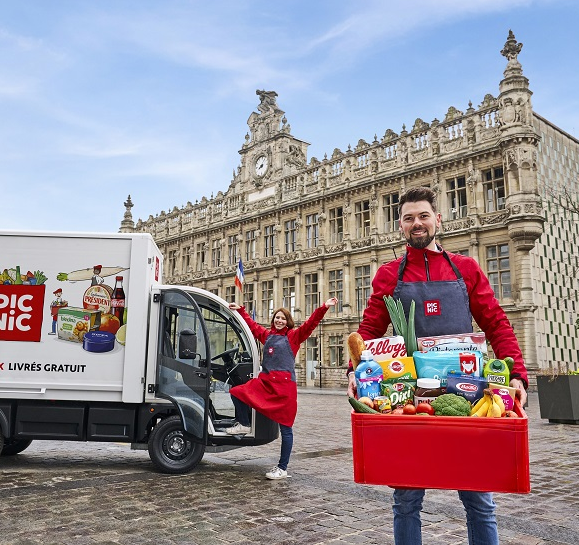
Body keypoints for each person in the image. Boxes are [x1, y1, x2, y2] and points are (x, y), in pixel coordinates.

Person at [347, 186, 529, 545]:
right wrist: (354, 372)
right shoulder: (388, 275)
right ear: (400, 225)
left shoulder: (466, 269)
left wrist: (518, 375)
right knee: (406, 499)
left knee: (479, 499)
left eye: (423, 216)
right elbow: (368, 331)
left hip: (468, 392)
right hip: (409, 396)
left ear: (437, 219)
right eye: (409, 218)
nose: (417, 224)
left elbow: (496, 323)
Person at [226, 297, 338, 480]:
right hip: (265, 384)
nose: (279, 320)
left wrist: (324, 307)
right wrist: (241, 310)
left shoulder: (294, 336)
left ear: (288, 322)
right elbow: (252, 326)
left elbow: (311, 324)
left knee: (286, 428)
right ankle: (244, 424)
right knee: (237, 392)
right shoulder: (267, 335)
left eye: (283, 318)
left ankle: (282, 467)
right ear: (273, 320)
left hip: (284, 389)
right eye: (277, 317)